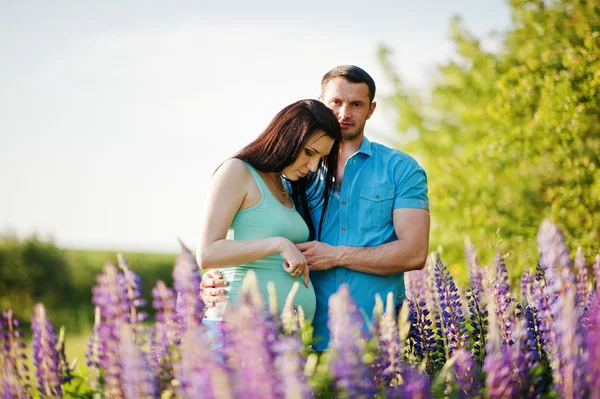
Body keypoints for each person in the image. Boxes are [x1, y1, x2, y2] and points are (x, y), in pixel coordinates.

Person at [202, 65, 430, 351]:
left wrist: (336, 256)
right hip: (304, 335)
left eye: (356, 104)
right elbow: (238, 235)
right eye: (336, 102)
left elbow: (415, 252)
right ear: (321, 103)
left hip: (375, 337)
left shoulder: (400, 169)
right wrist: (214, 279)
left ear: (371, 110)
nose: (344, 113)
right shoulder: (295, 174)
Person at [196, 99, 342, 330]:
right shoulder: (236, 171)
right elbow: (207, 253)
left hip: (285, 336)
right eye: (309, 152)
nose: (313, 167)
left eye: (320, 158)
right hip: (237, 329)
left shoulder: (287, 186)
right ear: (287, 136)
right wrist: (279, 244)